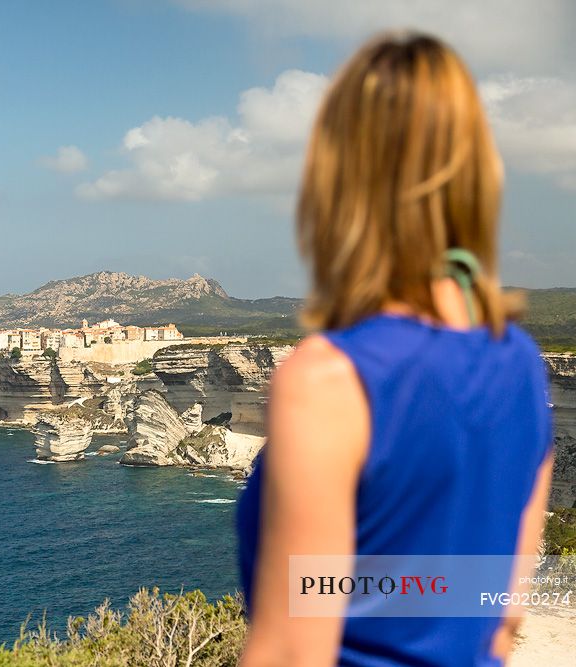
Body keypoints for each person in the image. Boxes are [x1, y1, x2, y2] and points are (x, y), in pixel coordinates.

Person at [235, 32, 554, 667]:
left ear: (338, 179)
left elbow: (294, 653)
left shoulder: (329, 379)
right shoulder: (519, 361)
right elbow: (500, 615)